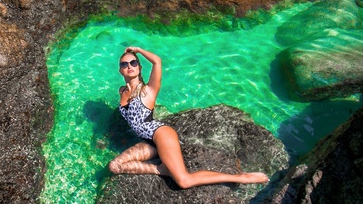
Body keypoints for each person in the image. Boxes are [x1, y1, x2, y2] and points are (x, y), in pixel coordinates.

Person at [108, 46, 270, 189]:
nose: (129, 66)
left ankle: (240, 178)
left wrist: (139, 50)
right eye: (124, 64)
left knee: (184, 181)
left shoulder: (148, 90)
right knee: (114, 166)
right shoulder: (122, 91)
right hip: (148, 142)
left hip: (160, 134)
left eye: (133, 63)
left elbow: (157, 62)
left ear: (139, 67)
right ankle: (162, 169)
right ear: (120, 70)